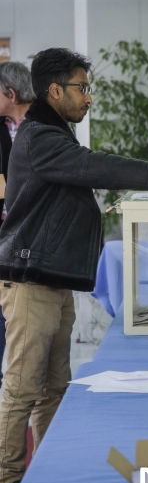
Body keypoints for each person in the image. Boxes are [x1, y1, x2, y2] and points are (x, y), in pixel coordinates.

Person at [0, 48, 148, 483]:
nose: (88, 98)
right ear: (54, 91)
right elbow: (101, 167)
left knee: (55, 386)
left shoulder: (54, 134)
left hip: (52, 280)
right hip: (31, 282)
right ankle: (9, 482)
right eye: (82, 88)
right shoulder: (40, 137)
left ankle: (49, 471)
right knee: (20, 389)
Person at [0, 62, 34, 390]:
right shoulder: (3, 128)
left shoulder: (42, 128)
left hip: (29, 244)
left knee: (23, 335)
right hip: (4, 239)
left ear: (10, 94)